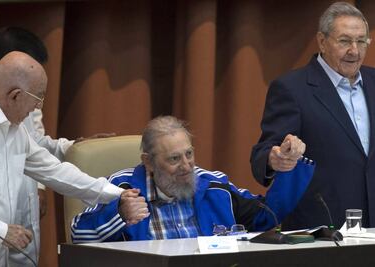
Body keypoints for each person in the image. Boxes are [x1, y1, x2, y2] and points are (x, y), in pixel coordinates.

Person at [0, 51, 149, 267]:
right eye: (38, 97)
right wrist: (1, 230)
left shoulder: (15, 129)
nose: (39, 107)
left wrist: (116, 193)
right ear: (15, 95)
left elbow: (55, 171)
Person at [70, 116, 314, 243]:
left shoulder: (214, 186)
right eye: (174, 159)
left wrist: (288, 166)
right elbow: (77, 235)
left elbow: (266, 216)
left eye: (189, 154)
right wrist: (119, 215)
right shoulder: (122, 188)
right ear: (148, 162)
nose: (187, 166)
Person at [250, 2, 375, 230]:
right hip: (322, 230)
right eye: (345, 41)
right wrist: (276, 158)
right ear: (322, 41)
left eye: (361, 41)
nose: (354, 51)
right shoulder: (292, 88)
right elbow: (263, 152)